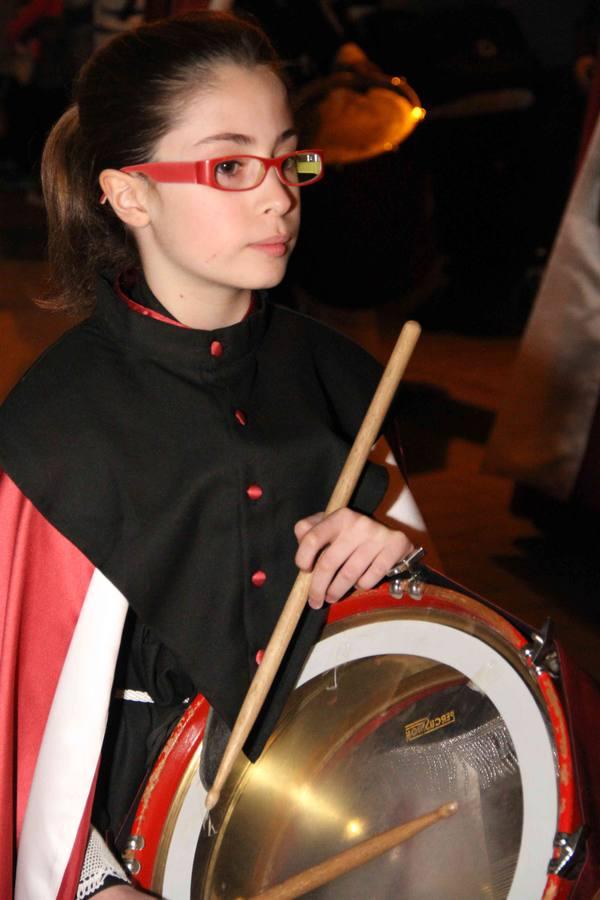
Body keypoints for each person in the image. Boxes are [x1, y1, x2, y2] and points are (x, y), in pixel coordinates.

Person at [0, 11, 416, 897]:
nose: (281, 195)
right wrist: (89, 882)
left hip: (339, 813)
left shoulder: (338, 374)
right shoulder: (56, 428)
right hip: (133, 841)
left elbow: (424, 649)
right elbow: (23, 713)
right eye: (231, 166)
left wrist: (395, 557)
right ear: (130, 194)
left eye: (289, 156)